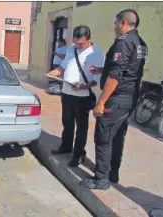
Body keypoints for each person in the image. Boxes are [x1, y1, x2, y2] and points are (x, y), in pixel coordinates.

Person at [80, 9, 148, 190]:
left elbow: (117, 76)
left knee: (103, 137)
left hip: (116, 98)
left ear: (123, 22)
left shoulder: (123, 43)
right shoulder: (140, 43)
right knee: (117, 136)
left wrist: (101, 102)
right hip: (130, 98)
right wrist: (102, 70)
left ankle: (101, 179)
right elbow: (128, 70)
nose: (114, 26)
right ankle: (112, 174)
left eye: (116, 22)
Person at [48, 25, 105, 167]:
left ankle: (78, 154)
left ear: (89, 39)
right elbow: (63, 67)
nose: (77, 46)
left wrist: (84, 86)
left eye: (81, 44)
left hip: (83, 96)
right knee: (67, 122)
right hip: (67, 93)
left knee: (81, 127)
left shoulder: (97, 53)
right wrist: (53, 73)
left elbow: (97, 79)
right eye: (75, 42)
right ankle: (66, 146)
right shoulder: (71, 48)